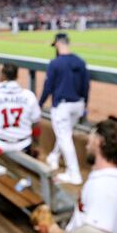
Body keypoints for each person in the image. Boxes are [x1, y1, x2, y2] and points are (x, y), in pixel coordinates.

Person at [35, 116, 117, 233]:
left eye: (91, 134)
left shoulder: (102, 187)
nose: (87, 143)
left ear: (99, 141)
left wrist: (54, 231)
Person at [40, 33, 90, 185]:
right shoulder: (80, 61)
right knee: (64, 133)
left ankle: (73, 174)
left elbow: (48, 87)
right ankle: (54, 157)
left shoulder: (55, 63)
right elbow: (86, 86)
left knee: (65, 138)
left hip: (62, 106)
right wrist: (85, 105)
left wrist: (40, 103)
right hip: (78, 104)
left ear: (57, 44)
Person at [0, 63, 42, 156]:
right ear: (17, 76)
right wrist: (36, 144)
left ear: (2, 76)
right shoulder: (29, 95)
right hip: (24, 145)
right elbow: (36, 124)